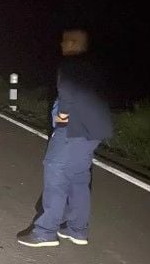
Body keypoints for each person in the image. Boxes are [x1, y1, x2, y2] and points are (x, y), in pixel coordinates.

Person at [17, 29, 113, 247]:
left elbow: (67, 94)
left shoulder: (69, 66)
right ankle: (77, 230)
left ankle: (45, 231)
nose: (61, 46)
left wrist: (61, 116)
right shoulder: (93, 67)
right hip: (96, 128)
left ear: (71, 44)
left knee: (55, 171)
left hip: (73, 127)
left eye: (63, 42)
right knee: (79, 177)